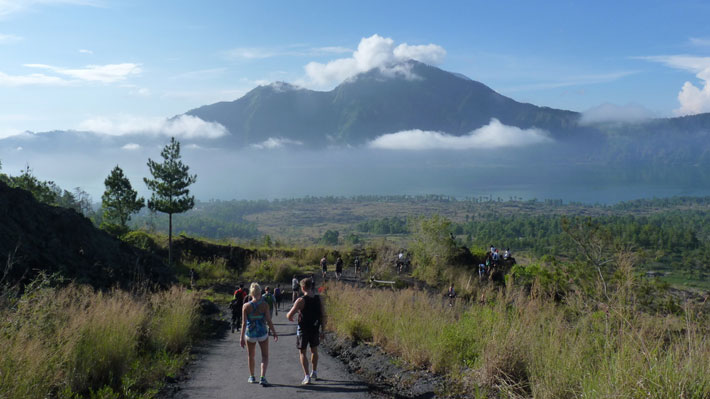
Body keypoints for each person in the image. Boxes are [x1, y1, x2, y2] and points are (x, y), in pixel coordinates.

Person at [287, 278, 326, 385]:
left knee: (302, 352)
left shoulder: (301, 300)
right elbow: (323, 315)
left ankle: (307, 376)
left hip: (303, 329)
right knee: (314, 350)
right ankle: (314, 371)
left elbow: (289, 315)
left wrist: (291, 316)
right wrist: (323, 330)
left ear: (303, 287)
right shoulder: (319, 299)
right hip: (315, 328)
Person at [240, 282, 278, 386]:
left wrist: (241, 337)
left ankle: (252, 376)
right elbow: (269, 321)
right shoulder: (264, 305)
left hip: (250, 333)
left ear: (251, 293)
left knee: (250, 355)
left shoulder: (246, 306)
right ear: (260, 292)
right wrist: (274, 333)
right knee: (265, 356)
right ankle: (262, 377)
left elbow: (243, 323)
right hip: (262, 332)